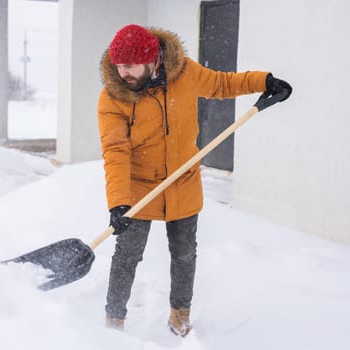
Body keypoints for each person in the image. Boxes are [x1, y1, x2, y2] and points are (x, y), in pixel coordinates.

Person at [97, 24, 291, 336]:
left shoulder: (184, 73)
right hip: (139, 187)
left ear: (151, 60)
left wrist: (263, 81)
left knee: (185, 253)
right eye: (119, 66)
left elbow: (221, 84)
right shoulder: (113, 98)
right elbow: (115, 151)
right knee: (127, 256)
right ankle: (113, 322)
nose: (124, 74)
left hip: (183, 181)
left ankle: (180, 316)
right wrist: (119, 203)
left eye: (130, 66)